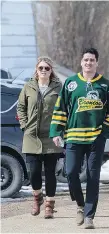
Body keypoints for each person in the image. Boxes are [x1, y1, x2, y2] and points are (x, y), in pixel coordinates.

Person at [49, 48, 109, 229]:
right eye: (86, 60)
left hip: (96, 138)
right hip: (73, 137)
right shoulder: (71, 83)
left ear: (97, 63)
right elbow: (61, 109)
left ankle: (89, 216)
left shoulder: (106, 85)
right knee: (71, 172)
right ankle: (79, 203)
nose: (89, 63)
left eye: (92, 60)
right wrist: (56, 132)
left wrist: (104, 132)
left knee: (93, 176)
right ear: (81, 62)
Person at [17, 57, 62, 219]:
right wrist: (24, 125)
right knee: (33, 172)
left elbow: (64, 109)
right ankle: (37, 197)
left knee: (50, 172)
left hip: (51, 136)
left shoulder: (58, 87)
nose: (43, 70)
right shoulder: (28, 87)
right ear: (36, 70)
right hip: (31, 136)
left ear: (51, 71)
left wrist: (60, 129)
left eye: (47, 68)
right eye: (41, 68)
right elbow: (21, 107)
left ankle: (49, 205)